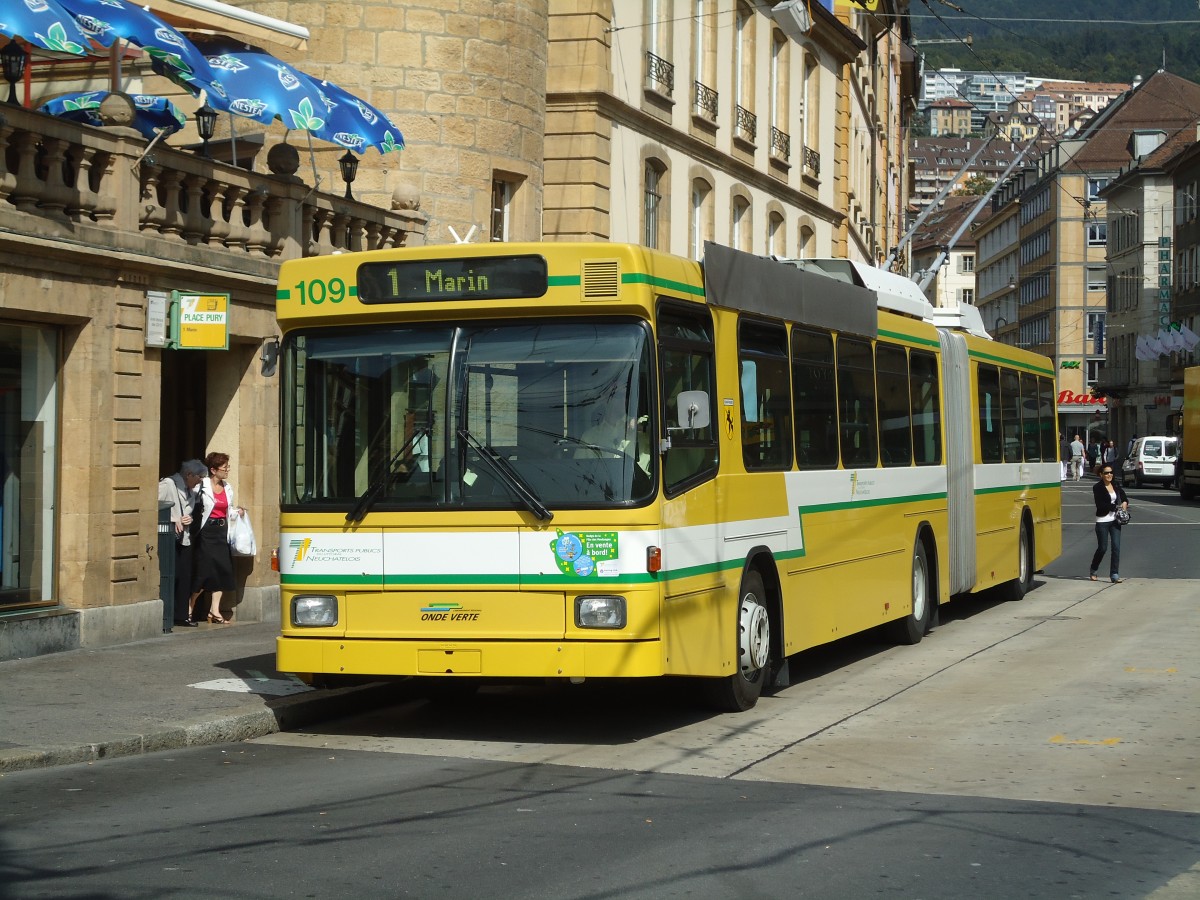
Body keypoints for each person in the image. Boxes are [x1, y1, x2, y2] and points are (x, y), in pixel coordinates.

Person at [188, 452, 245, 624]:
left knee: (222, 569)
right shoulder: (202, 485)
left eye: (228, 466)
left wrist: (238, 512)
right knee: (203, 571)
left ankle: (215, 611)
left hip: (222, 532)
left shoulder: (228, 487)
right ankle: (189, 607)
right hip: (206, 532)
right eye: (224, 467)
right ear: (213, 470)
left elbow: (228, 509)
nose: (227, 470)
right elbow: (191, 504)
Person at [158, 459, 207, 627]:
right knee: (173, 575)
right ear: (189, 474)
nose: (201, 480)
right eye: (199, 476)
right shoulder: (168, 484)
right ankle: (169, 614)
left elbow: (187, 511)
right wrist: (173, 519)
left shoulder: (191, 491)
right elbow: (154, 506)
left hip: (184, 538)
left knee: (185, 576)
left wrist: (188, 518)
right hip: (170, 537)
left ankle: (182, 615)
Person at [1089, 464, 1129, 583]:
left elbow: (1123, 496)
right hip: (1102, 520)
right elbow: (1100, 504)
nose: (1109, 475)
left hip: (1115, 521)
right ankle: (1094, 569)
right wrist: (1116, 507)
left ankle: (1114, 574)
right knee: (1102, 548)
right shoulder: (1097, 487)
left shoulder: (1115, 484)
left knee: (1116, 547)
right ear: (1101, 475)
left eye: (1111, 472)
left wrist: (1125, 503)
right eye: (1106, 473)